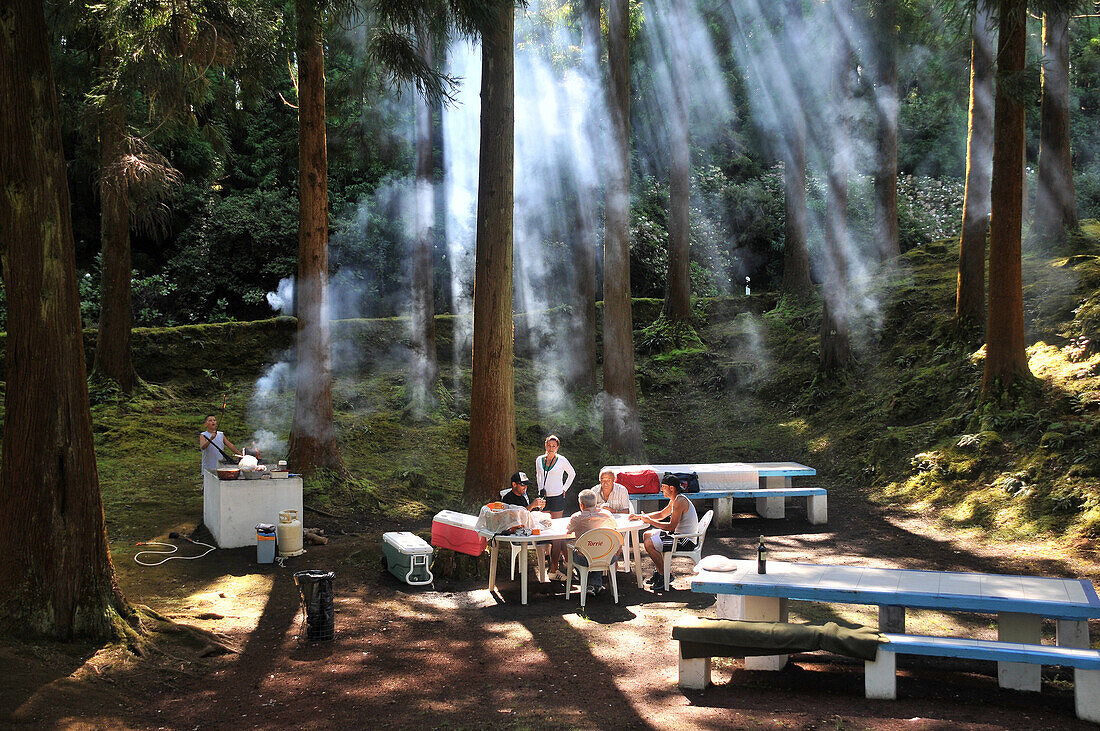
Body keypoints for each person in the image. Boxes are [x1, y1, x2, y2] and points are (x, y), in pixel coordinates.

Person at [629, 474, 699, 590]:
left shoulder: (679, 502)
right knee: (647, 534)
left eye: (663, 487)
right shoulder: (675, 499)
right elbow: (662, 514)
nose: (661, 489)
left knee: (649, 544)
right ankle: (660, 571)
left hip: (685, 540)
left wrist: (650, 521)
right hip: (678, 536)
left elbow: (671, 526)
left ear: (671, 488)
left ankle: (663, 575)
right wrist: (640, 516)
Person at [535, 434, 575, 579]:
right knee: (546, 529)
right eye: (549, 445)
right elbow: (538, 476)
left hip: (558, 497)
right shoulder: (539, 460)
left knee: (557, 532)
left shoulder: (562, 460)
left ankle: (554, 568)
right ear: (545, 445)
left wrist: (564, 488)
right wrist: (540, 493)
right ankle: (568, 560)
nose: (551, 448)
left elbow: (572, 474)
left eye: (554, 446)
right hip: (544, 498)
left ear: (557, 447)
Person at [566, 489, 618, 595]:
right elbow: (615, 528)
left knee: (578, 551)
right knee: (599, 549)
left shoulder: (577, 518)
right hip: (606, 555)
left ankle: (587, 584)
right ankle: (594, 584)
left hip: (585, 558)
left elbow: (568, 531)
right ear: (595, 503)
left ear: (581, 504)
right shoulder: (607, 515)